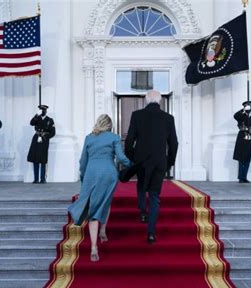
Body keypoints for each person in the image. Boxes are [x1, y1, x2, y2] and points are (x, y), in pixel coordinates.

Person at [68, 114, 132, 262]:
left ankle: (93, 247)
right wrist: (132, 164)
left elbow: (83, 160)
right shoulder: (114, 137)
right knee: (105, 201)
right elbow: (121, 158)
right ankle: (103, 230)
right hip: (109, 174)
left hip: (92, 173)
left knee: (93, 208)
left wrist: (83, 177)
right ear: (110, 125)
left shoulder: (89, 138)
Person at [125, 90, 178, 244]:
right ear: (160, 101)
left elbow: (129, 141)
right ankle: (151, 233)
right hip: (159, 162)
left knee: (141, 186)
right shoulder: (168, 118)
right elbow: (174, 143)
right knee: (154, 196)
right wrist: (170, 162)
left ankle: (142, 211)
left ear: (146, 101)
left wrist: (132, 158)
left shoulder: (137, 115)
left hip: (141, 161)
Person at [27, 105, 56, 183]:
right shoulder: (37, 118)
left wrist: (44, 138)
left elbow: (53, 133)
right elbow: (31, 123)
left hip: (44, 140)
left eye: (44, 110)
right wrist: (36, 115)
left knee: (43, 159)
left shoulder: (50, 120)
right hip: (36, 138)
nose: (42, 112)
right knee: (35, 159)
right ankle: (36, 179)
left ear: (46, 111)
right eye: (41, 110)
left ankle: (42, 179)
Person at [233, 100, 251, 183]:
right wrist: (242, 110)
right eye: (247, 106)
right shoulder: (241, 116)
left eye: (249, 106)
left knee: (247, 159)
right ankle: (240, 177)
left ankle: (244, 177)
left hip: (250, 140)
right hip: (242, 139)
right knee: (241, 158)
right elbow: (235, 116)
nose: (248, 108)